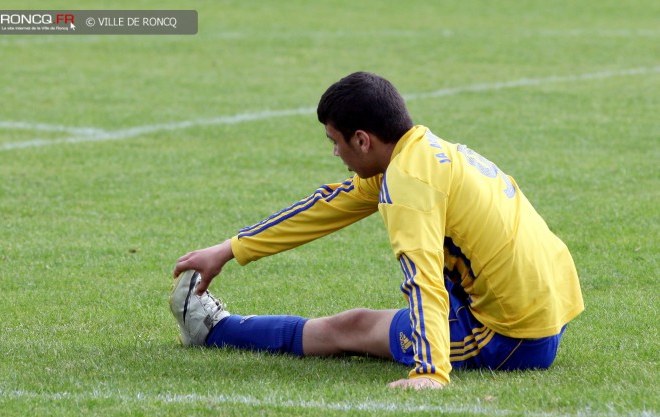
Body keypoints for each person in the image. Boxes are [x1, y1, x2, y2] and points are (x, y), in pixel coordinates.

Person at [171, 72, 584, 390]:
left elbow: (422, 277)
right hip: (548, 309)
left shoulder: (407, 188)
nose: (335, 153)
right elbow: (325, 208)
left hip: (512, 337)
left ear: (363, 140)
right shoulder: (420, 151)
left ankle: (214, 330)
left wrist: (431, 372)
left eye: (336, 142)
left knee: (352, 327)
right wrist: (229, 249)